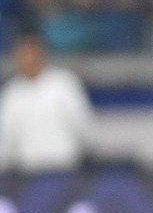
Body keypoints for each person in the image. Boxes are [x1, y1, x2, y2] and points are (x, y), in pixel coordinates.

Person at [0, 33, 95, 174]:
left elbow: (83, 124)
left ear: (42, 54)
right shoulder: (11, 93)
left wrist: (87, 155)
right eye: (24, 55)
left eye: (33, 54)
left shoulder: (64, 83)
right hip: (27, 173)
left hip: (65, 168)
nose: (29, 59)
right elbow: (5, 138)